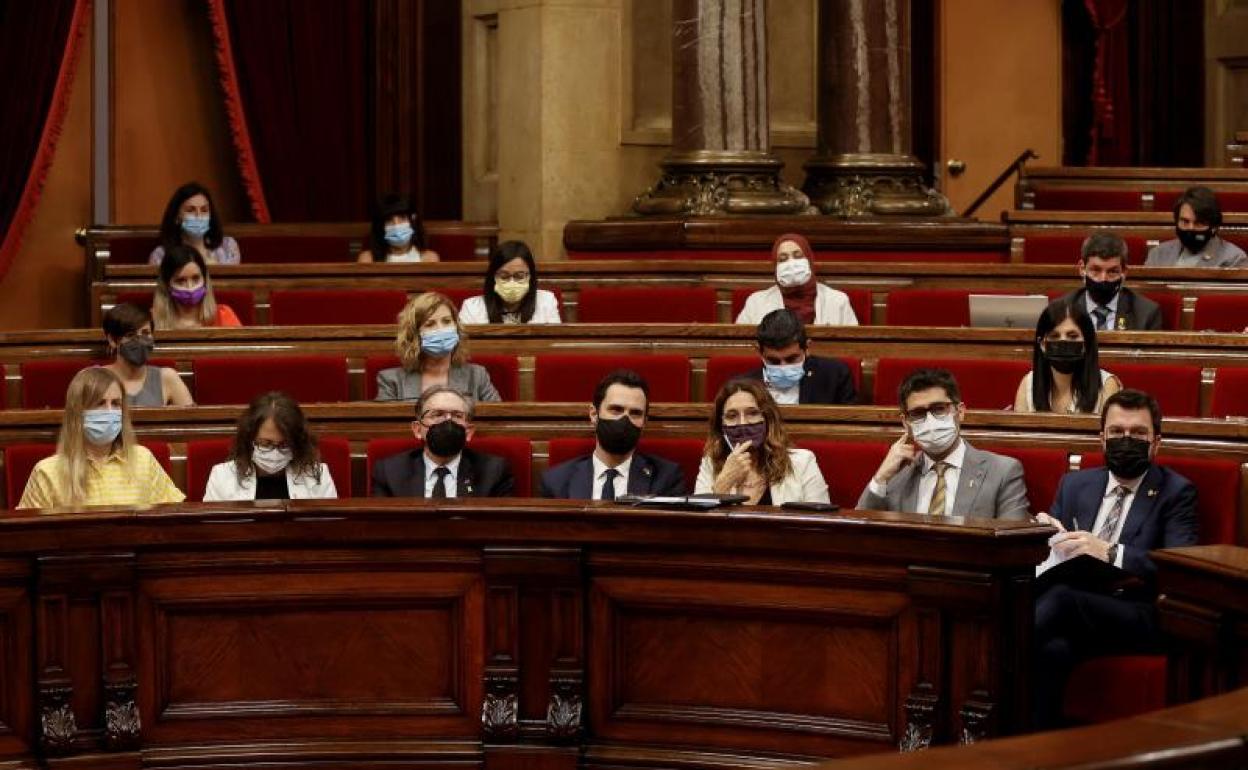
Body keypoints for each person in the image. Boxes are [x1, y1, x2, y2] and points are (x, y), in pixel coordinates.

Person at [1032, 389, 1198, 728]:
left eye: (1138, 433)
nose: (1127, 440)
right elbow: (1053, 547)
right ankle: (1037, 753)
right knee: (1053, 652)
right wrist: (1040, 533)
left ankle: (993, 650)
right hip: (1076, 614)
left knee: (1060, 601)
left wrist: (1109, 552)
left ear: (1156, 442)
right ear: (1102, 438)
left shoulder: (1177, 492)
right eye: (1117, 432)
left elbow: (1178, 569)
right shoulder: (1074, 484)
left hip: (1138, 614)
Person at [858, 368, 1029, 519]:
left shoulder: (1003, 471)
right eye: (918, 413)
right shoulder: (896, 475)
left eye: (939, 408)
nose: (930, 420)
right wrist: (880, 477)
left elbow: (1013, 546)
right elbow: (859, 532)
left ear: (960, 412)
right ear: (905, 423)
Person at [17, 368, 185, 509]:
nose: (110, 411)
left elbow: (171, 521)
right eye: (100, 403)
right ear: (77, 412)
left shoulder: (143, 459)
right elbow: (29, 537)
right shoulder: (47, 472)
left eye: (116, 403)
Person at [540, 370, 686, 499]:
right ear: (593, 414)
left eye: (635, 413)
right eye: (616, 409)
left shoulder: (666, 478)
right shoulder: (556, 481)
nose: (625, 420)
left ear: (644, 422)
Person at [694, 378, 829, 505]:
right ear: (721, 425)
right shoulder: (710, 464)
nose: (742, 423)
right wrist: (723, 485)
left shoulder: (802, 463)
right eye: (732, 416)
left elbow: (822, 524)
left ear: (768, 420)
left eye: (752, 413)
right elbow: (698, 527)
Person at [371, 386, 514, 497]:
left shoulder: (493, 471)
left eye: (457, 415)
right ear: (417, 429)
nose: (448, 421)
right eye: (437, 414)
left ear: (469, 432)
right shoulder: (390, 471)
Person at [203, 392, 336, 501]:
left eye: (284, 444)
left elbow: (330, 529)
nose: (275, 453)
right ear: (249, 438)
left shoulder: (319, 476)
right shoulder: (221, 477)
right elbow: (212, 531)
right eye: (265, 444)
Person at [375, 292, 500, 402]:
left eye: (446, 321)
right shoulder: (391, 381)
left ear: (456, 326)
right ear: (414, 335)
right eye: (430, 324)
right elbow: (387, 428)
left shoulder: (477, 376)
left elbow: (498, 421)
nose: (441, 329)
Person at [1014, 297, 1122, 414]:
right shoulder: (1028, 384)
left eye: (1072, 336)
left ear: (1086, 342)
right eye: (1054, 336)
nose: (1063, 342)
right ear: (1042, 344)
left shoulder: (1107, 386)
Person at [735, 233, 858, 327]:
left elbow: (853, 348)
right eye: (783, 259)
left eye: (797, 256)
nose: (791, 263)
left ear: (809, 259)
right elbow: (741, 346)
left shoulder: (838, 301)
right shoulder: (756, 302)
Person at [742, 309, 856, 404]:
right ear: (759, 352)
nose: (783, 367)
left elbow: (850, 426)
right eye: (773, 361)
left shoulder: (835, 376)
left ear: (806, 348)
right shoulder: (744, 386)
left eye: (791, 359)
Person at [1060, 232, 1162, 331]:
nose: (1103, 278)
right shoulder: (1061, 310)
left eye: (1112, 271)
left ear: (1124, 272)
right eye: (1096, 270)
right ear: (1082, 269)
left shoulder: (1146, 313)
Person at [101, 303, 194, 407]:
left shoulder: (167, 377)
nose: (140, 341)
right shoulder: (95, 380)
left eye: (146, 333)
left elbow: (192, 420)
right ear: (112, 340)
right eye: (130, 335)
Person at [458, 241, 561, 324]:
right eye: (504, 276)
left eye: (519, 276)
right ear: (493, 277)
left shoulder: (546, 302)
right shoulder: (472, 308)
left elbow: (554, 345)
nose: (512, 282)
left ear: (530, 276)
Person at [1145, 186, 1247, 268]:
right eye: (1185, 222)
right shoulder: (1158, 254)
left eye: (1198, 223)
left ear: (1213, 227)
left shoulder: (1234, 259)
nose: (1190, 228)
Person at [148, 181, 241, 265]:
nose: (199, 216)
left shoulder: (227, 247)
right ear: (176, 217)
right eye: (190, 210)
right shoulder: (160, 256)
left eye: (204, 210)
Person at [153, 245, 242, 329]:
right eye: (181, 281)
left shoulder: (223, 315)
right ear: (167, 285)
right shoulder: (152, 320)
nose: (190, 287)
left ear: (205, 280)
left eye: (196, 278)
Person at [357, 193, 440, 263]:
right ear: (381, 226)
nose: (396, 225)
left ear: (413, 220)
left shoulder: (429, 259)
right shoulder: (367, 259)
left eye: (402, 218)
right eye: (389, 220)